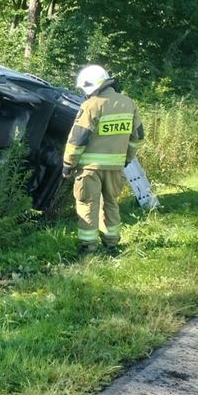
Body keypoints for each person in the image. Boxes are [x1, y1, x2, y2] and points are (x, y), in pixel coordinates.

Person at [62, 65, 144, 255]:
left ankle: (88, 247)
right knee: (111, 203)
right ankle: (112, 244)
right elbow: (138, 138)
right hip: (116, 167)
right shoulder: (128, 103)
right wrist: (126, 158)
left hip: (90, 168)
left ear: (90, 86)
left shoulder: (91, 105)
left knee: (87, 204)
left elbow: (78, 140)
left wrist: (68, 165)